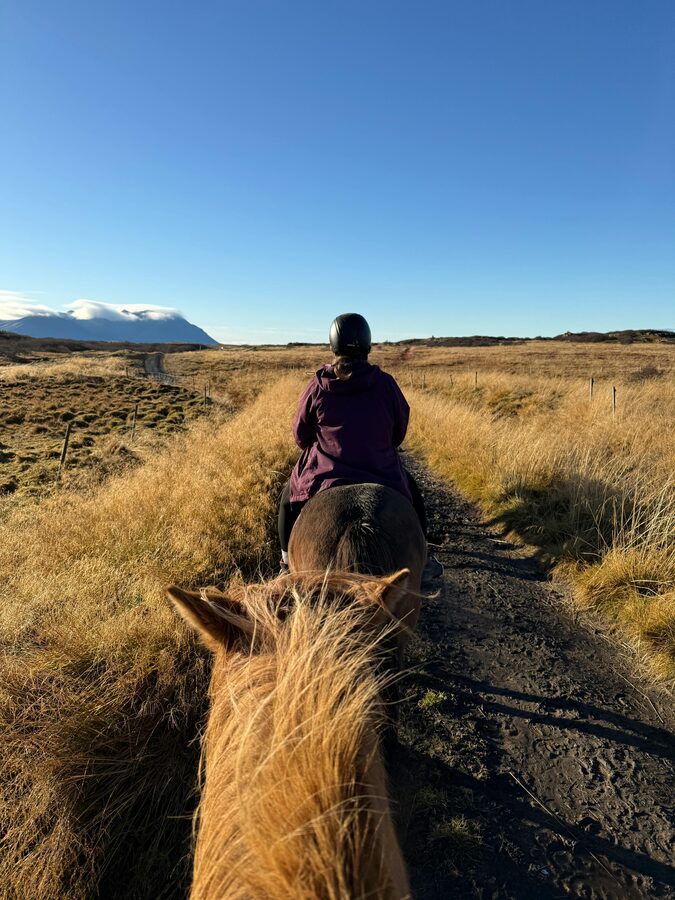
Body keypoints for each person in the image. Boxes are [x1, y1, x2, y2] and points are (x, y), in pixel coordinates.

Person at [278, 312, 443, 587]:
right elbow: (399, 431)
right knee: (413, 494)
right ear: (368, 345)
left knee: (287, 498)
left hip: (324, 476)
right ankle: (423, 562)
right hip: (381, 471)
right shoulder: (386, 384)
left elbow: (300, 435)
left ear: (333, 346)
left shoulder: (317, 386)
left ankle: (285, 562)